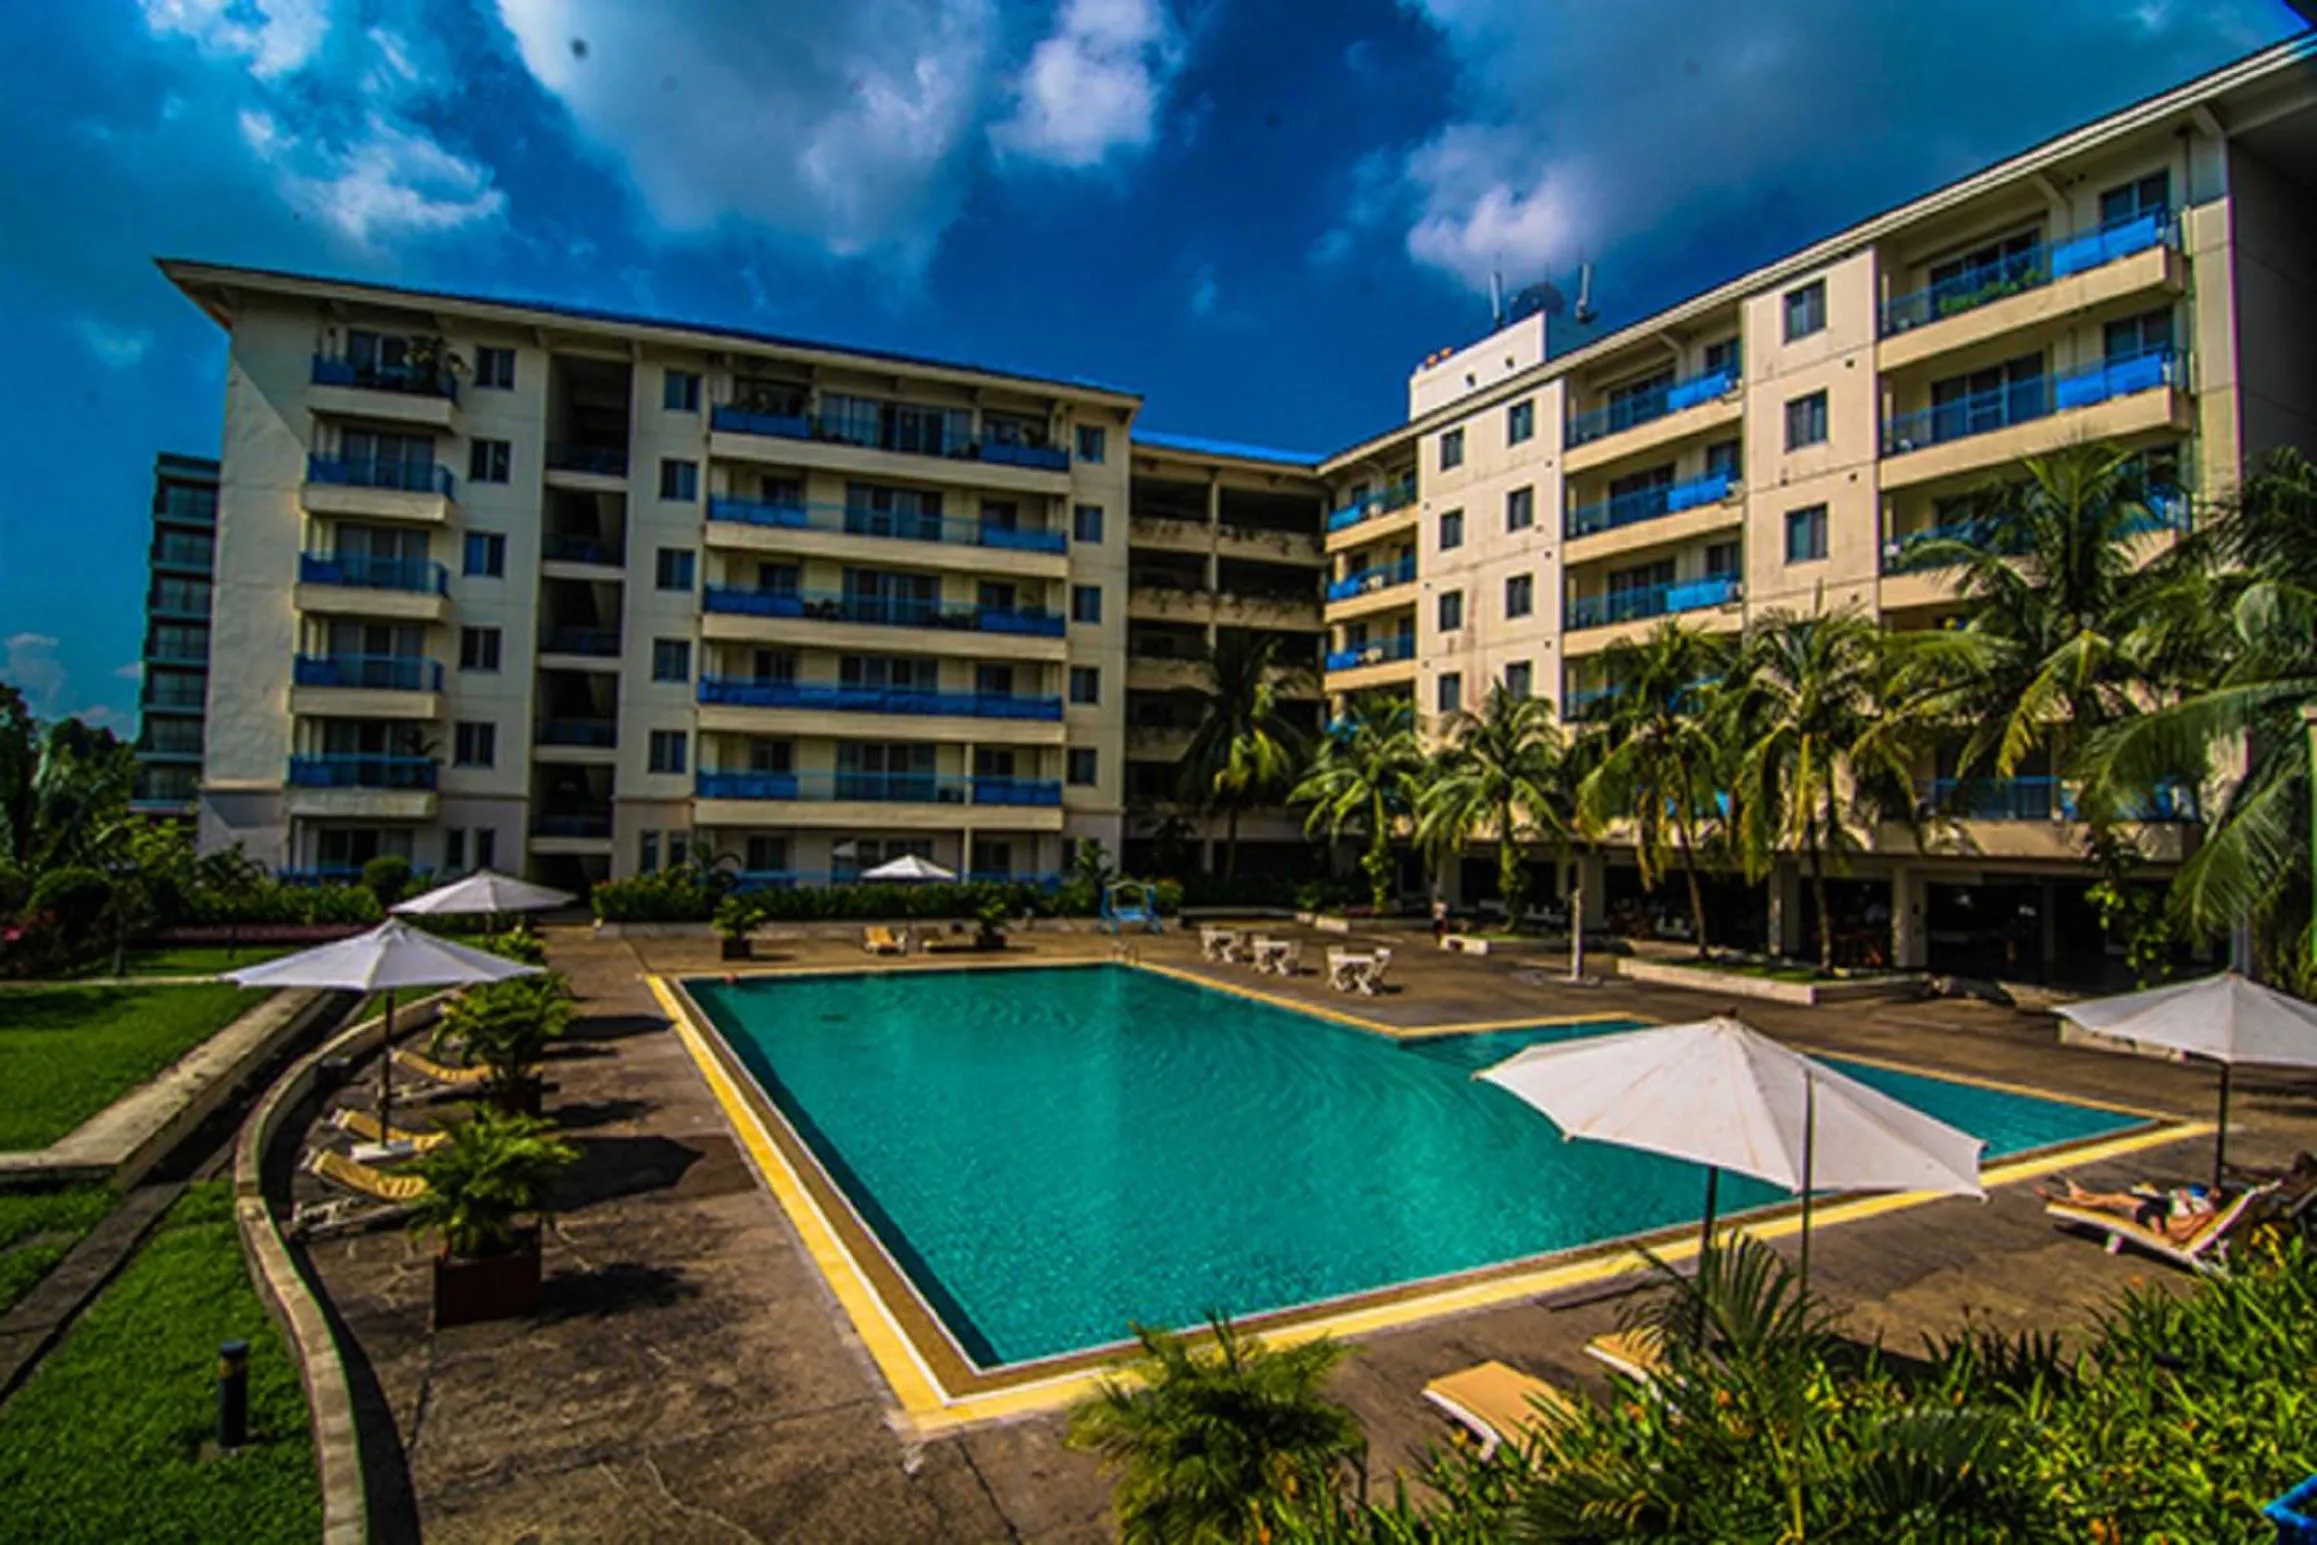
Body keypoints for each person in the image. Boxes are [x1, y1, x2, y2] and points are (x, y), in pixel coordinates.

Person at [2038, 1176, 2221, 1242]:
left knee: (2116, 1201)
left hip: (2156, 1218)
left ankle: (2071, 1197)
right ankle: (2077, 1196)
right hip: (2156, 1214)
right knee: (2117, 1200)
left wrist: (2190, 1206)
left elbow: (2172, 1237)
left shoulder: (2203, 1218)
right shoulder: (2206, 1215)